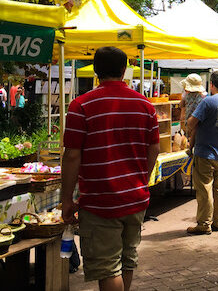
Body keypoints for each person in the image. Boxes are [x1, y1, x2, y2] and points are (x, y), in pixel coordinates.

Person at [61, 46, 160, 291]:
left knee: (108, 267)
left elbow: (72, 156)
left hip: (100, 201)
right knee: (126, 261)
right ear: (124, 70)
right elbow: (154, 149)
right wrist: (141, 180)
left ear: (95, 70)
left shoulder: (81, 105)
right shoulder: (145, 105)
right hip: (135, 199)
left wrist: (66, 200)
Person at [185, 71, 218, 235]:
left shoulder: (208, 102)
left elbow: (191, 123)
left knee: (204, 188)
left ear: (211, 84)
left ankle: (204, 223)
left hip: (205, 152)